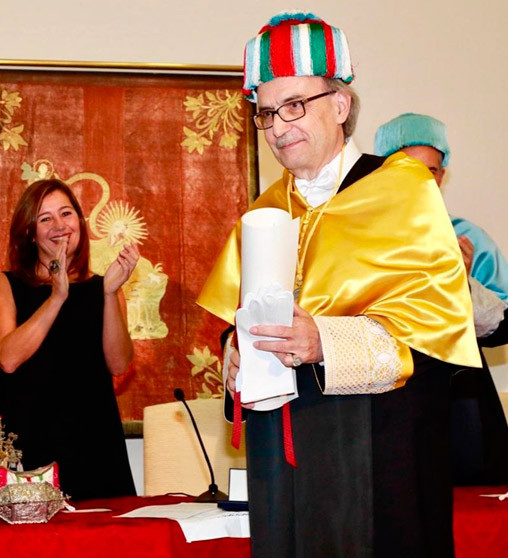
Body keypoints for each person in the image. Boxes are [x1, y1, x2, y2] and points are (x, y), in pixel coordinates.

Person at [197, 12, 480, 557]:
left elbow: (440, 343)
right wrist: (236, 352)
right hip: (284, 459)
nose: (279, 127)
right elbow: (239, 322)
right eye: (267, 113)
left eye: (295, 106)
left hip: (382, 454)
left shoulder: (404, 191)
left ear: (341, 105)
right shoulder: (262, 212)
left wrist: (325, 342)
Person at [0, 178, 138, 501]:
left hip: (95, 446)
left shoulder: (104, 286)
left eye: (66, 214)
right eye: (45, 219)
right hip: (29, 449)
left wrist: (109, 294)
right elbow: (8, 359)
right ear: (29, 232)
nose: (59, 226)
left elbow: (120, 363)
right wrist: (56, 297)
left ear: (80, 223)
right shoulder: (4, 284)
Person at [374, 113, 508, 485]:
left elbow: (501, 330)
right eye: (408, 170)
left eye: (431, 170)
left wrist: (461, 283)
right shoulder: (359, 238)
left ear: (442, 176)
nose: (423, 181)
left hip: (461, 403)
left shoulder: (466, 237)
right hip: (386, 403)